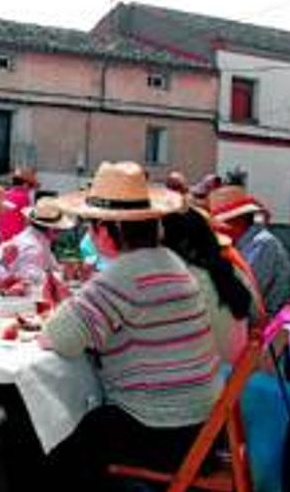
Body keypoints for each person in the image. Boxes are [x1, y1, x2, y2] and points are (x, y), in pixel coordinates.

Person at [36, 161, 219, 491]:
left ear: (106, 231)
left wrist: (63, 307)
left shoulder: (125, 273)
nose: (90, 233)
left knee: (42, 438)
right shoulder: (169, 261)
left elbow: (58, 338)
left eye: (92, 226)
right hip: (199, 427)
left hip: (161, 432)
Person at [163, 207, 254, 363]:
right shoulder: (231, 271)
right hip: (237, 377)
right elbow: (258, 313)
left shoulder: (178, 283)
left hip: (204, 379)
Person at [209, 185, 290, 319]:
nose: (216, 230)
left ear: (238, 221)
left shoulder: (263, 243)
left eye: (221, 224)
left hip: (266, 324)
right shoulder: (242, 244)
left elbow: (248, 293)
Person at [0, 197, 76, 299]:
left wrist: (62, 272)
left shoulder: (39, 241)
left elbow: (51, 266)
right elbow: (31, 277)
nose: (60, 234)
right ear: (51, 229)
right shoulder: (33, 246)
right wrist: (63, 275)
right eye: (59, 230)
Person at [0, 167, 38, 243]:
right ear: (25, 184)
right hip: (16, 243)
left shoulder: (4, 195)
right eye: (31, 186)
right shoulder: (24, 198)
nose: (31, 189)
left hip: (1, 241)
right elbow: (28, 223)